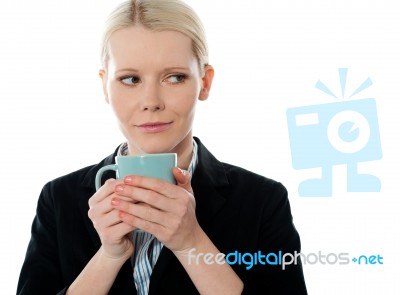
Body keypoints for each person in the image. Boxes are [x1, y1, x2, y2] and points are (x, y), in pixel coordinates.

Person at [17, 0, 307, 294]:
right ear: (105, 86)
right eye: (130, 79)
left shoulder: (263, 201)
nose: (151, 101)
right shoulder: (58, 200)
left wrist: (191, 243)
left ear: (204, 83)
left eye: (175, 77)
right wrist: (109, 256)